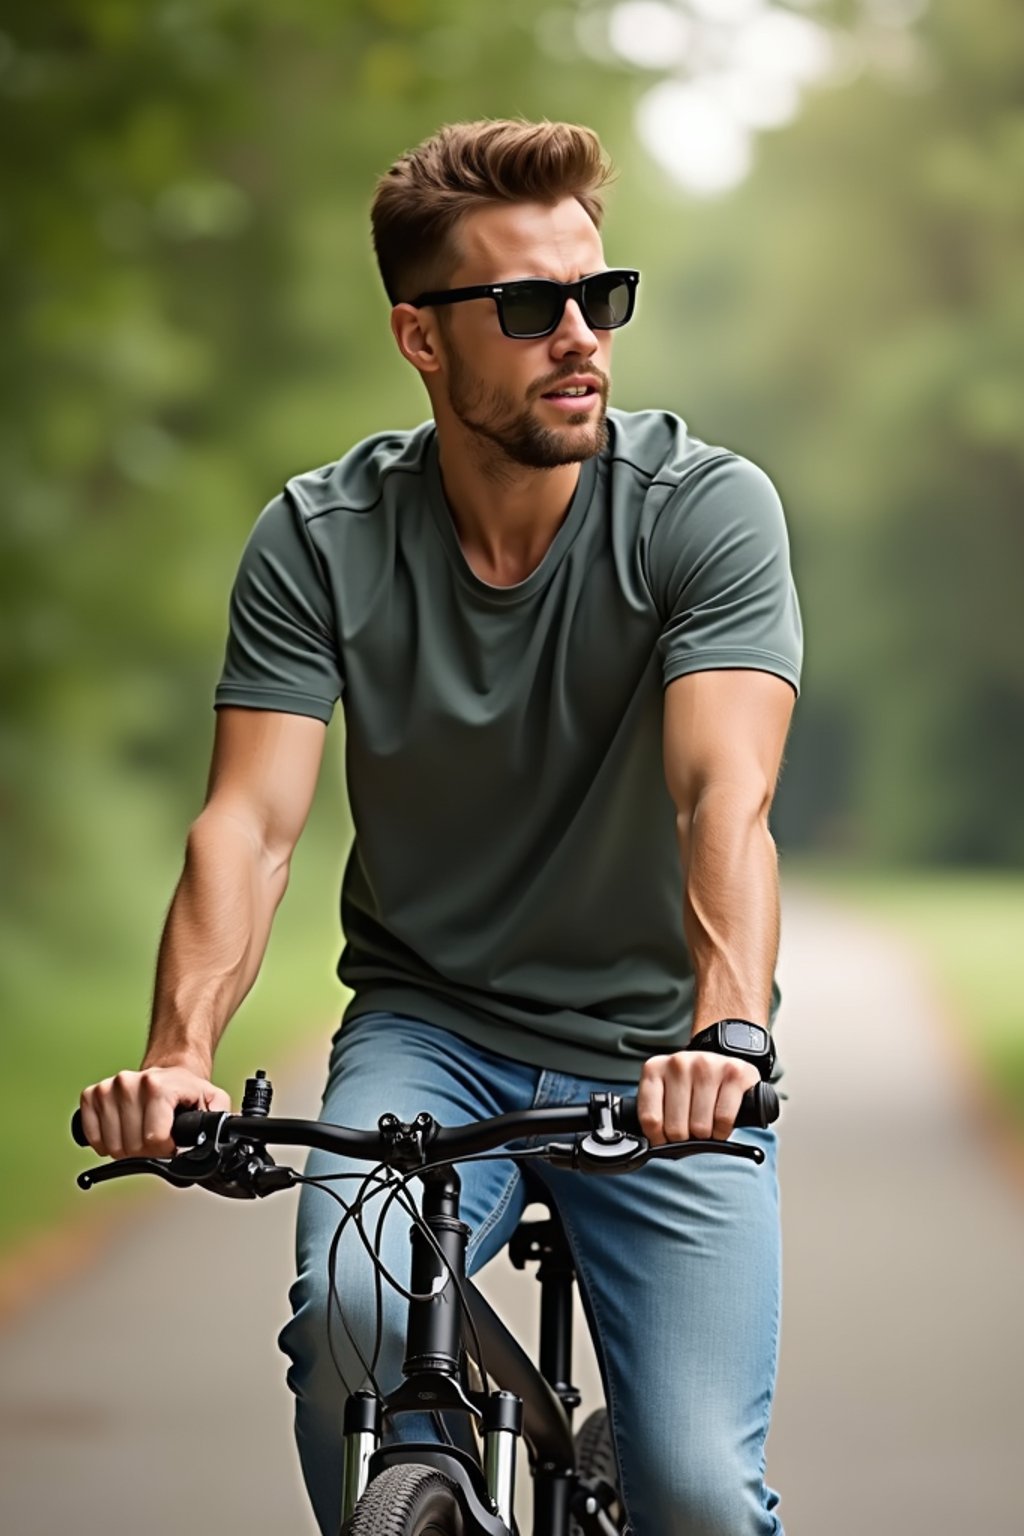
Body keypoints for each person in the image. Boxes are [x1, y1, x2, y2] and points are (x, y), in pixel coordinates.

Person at [79, 119, 801, 1535]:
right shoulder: (323, 535)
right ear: (421, 337)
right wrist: (178, 1061)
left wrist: (724, 1038)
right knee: (348, 1334)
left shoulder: (703, 512)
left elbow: (726, 795)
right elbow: (250, 822)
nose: (579, 336)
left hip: (659, 1050)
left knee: (704, 1497)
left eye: (600, 298)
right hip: (432, 1031)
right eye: (528, 309)